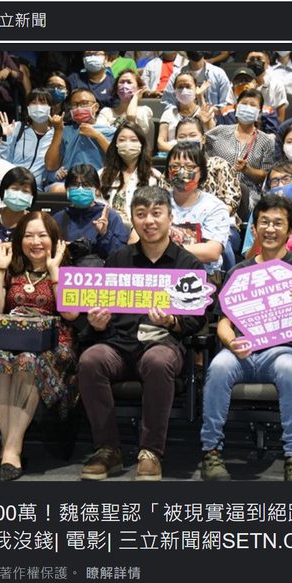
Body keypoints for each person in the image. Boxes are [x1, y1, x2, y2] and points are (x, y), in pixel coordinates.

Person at [200, 194, 292, 481]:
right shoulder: (239, 270)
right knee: (218, 366)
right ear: (254, 229)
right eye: (264, 222)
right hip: (241, 350)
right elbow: (223, 323)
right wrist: (231, 342)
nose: (270, 229)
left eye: (278, 223)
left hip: (282, 350)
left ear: (290, 230)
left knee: (289, 368)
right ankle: (211, 452)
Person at [76, 186, 207, 481]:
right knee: (91, 360)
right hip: (119, 344)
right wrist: (98, 323)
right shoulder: (118, 260)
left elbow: (196, 320)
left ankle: (150, 452)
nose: (149, 221)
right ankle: (107, 449)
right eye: (141, 214)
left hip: (163, 344)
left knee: (157, 361)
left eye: (157, 213)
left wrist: (172, 321)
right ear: (132, 219)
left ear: (170, 218)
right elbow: (103, 312)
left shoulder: (188, 264)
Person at [0, 211, 78, 481]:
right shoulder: (10, 269)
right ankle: (13, 444)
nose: (35, 242)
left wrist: (54, 272)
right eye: (28, 236)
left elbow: (70, 314)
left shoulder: (69, 271)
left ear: (54, 240)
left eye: (42, 235)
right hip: (10, 342)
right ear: (19, 240)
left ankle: (10, 449)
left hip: (54, 346)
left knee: (28, 360)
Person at [166, 142, 230, 279]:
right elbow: (135, 239)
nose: (181, 172)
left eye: (189, 167)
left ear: (201, 172)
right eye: (175, 166)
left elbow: (211, 252)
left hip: (203, 277)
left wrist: (164, 249)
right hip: (161, 273)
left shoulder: (215, 207)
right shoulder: (157, 200)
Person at [205, 89, 275, 207]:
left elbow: (266, 175)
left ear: (259, 112)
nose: (248, 107)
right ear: (237, 107)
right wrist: (203, 124)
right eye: (244, 104)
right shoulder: (220, 131)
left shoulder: (267, 141)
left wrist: (247, 169)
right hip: (216, 192)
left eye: (252, 105)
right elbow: (200, 146)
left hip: (248, 197)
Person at [53, 164, 128, 261]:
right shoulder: (58, 219)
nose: (80, 189)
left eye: (86, 185)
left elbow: (122, 257)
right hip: (65, 268)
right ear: (67, 189)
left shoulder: (110, 217)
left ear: (96, 189)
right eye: (75, 185)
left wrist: (105, 234)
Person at [44, 88, 115, 188]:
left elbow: (118, 160)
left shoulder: (110, 131)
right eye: (75, 104)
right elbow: (50, 166)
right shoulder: (65, 131)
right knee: (56, 189)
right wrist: (58, 130)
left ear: (95, 107)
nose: (79, 108)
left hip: (98, 183)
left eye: (84, 103)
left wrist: (97, 136)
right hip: (70, 184)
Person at [99, 122, 162, 232]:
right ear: (115, 144)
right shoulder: (101, 175)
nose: (127, 144)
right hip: (108, 234)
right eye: (122, 140)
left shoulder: (155, 177)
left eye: (133, 140)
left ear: (142, 144)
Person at [0, 88, 55, 189]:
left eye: (42, 102)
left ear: (50, 108)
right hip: (12, 184)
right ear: (28, 108)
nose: (38, 106)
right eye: (33, 102)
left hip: (37, 189)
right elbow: (2, 160)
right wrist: (5, 138)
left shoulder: (56, 134)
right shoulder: (17, 128)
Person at [157, 72, 214, 152]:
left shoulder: (204, 112)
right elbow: (160, 143)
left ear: (195, 88)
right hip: (175, 156)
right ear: (174, 91)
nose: (184, 90)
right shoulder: (168, 113)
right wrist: (181, 152)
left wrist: (200, 96)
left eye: (188, 86)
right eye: (180, 87)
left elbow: (213, 138)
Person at [217, 68, 280, 136]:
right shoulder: (225, 112)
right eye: (238, 81)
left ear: (256, 85)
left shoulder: (268, 112)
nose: (243, 84)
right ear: (233, 88)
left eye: (247, 80)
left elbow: (272, 136)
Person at [162, 51, 233, 109]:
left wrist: (212, 111)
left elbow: (227, 103)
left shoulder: (218, 74)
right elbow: (168, 102)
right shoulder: (176, 75)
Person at [96, 69, 154, 136]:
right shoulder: (106, 112)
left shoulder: (144, 111)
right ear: (116, 88)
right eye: (122, 82)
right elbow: (101, 134)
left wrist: (135, 98)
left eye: (129, 82)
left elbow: (136, 133)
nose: (124, 86)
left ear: (139, 88)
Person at [245, 51, 288, 122]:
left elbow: (280, 119)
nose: (255, 62)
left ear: (267, 63)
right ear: (246, 62)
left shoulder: (277, 84)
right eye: (252, 59)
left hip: (268, 126)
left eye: (259, 59)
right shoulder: (237, 83)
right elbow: (230, 112)